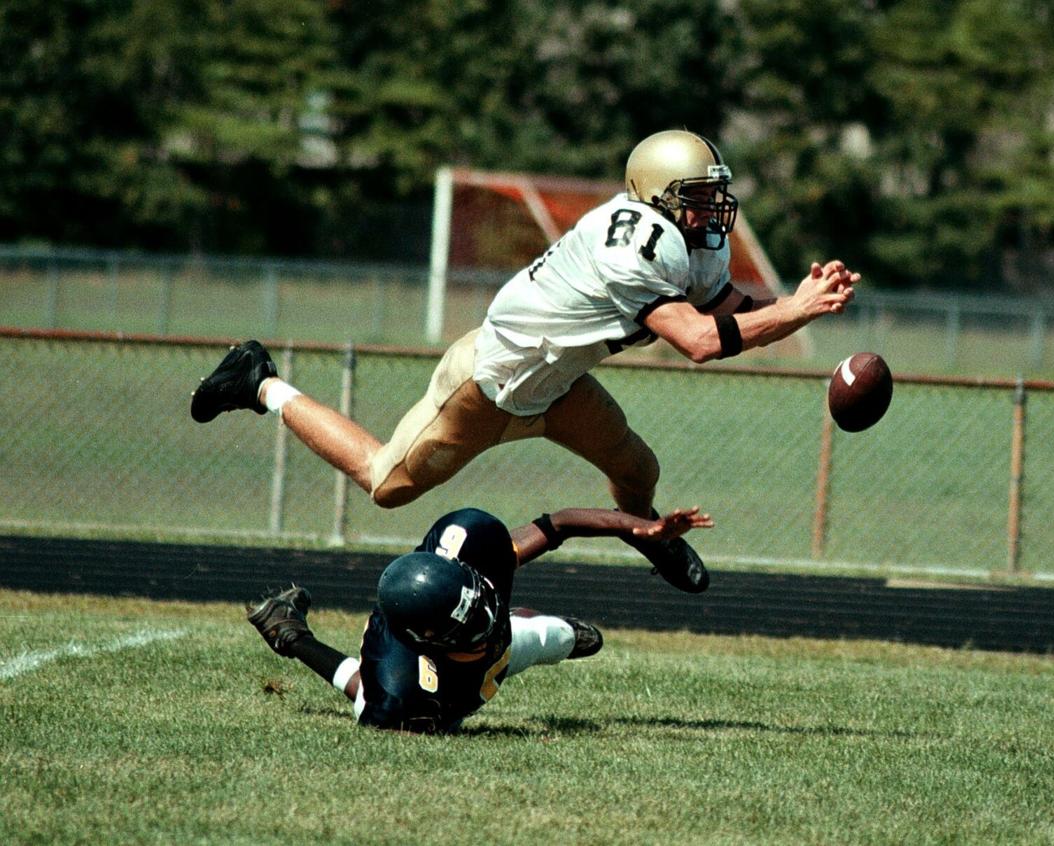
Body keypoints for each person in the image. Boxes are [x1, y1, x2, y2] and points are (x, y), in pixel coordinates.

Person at [192, 129, 858, 594]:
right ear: (655, 195)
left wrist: (799, 299)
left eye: (714, 193)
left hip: (557, 385)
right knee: (384, 483)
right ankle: (261, 383)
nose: (712, 209)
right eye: (698, 194)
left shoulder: (683, 239)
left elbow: (733, 313)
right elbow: (701, 342)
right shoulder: (635, 242)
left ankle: (650, 536)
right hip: (491, 382)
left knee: (636, 469)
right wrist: (794, 313)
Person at [247, 503, 712, 733]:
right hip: (434, 670)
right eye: (471, 617)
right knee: (379, 704)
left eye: (482, 600)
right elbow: (387, 702)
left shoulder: (472, 552)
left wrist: (638, 528)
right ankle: (291, 634)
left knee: (560, 636)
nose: (488, 613)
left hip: (445, 628)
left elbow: (560, 524)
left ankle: (285, 627)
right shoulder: (411, 683)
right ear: (432, 639)